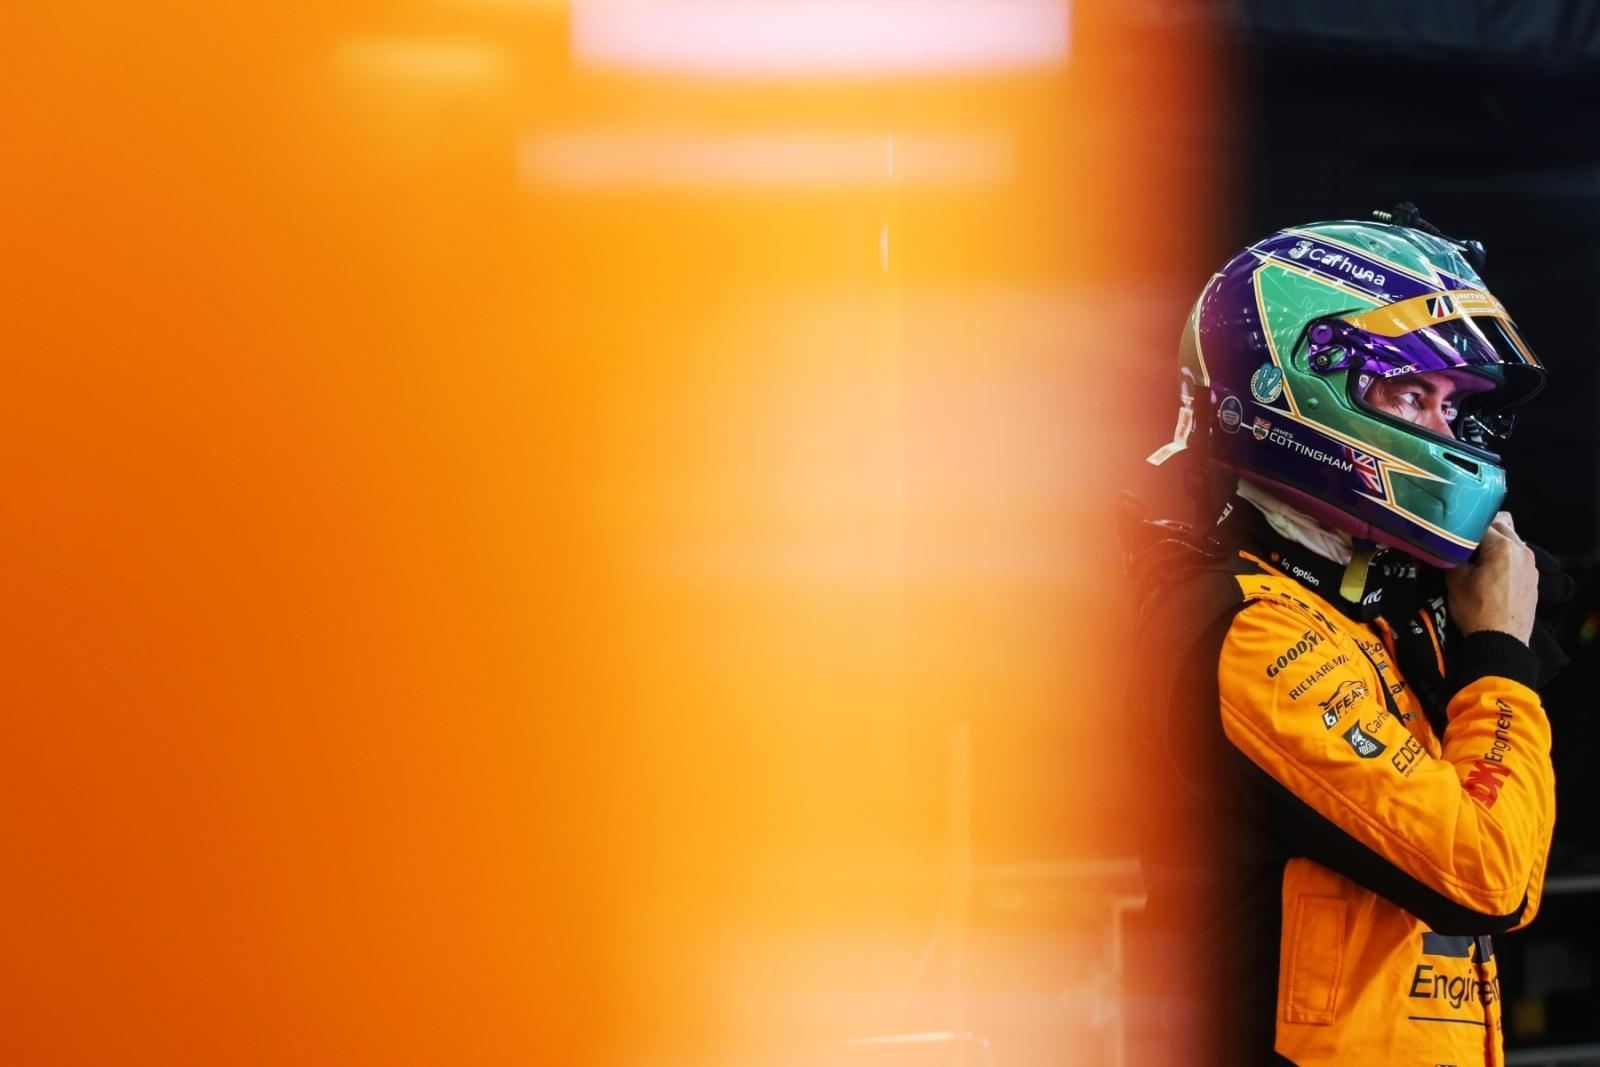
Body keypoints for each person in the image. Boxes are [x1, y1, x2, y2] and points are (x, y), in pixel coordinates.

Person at [1120, 207, 1562, 1066]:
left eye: (1450, 404)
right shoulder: (1249, 629)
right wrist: (1498, 658)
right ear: (1296, 387)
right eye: (1412, 395)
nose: (1445, 432)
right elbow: (1490, 871)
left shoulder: (1367, 616)